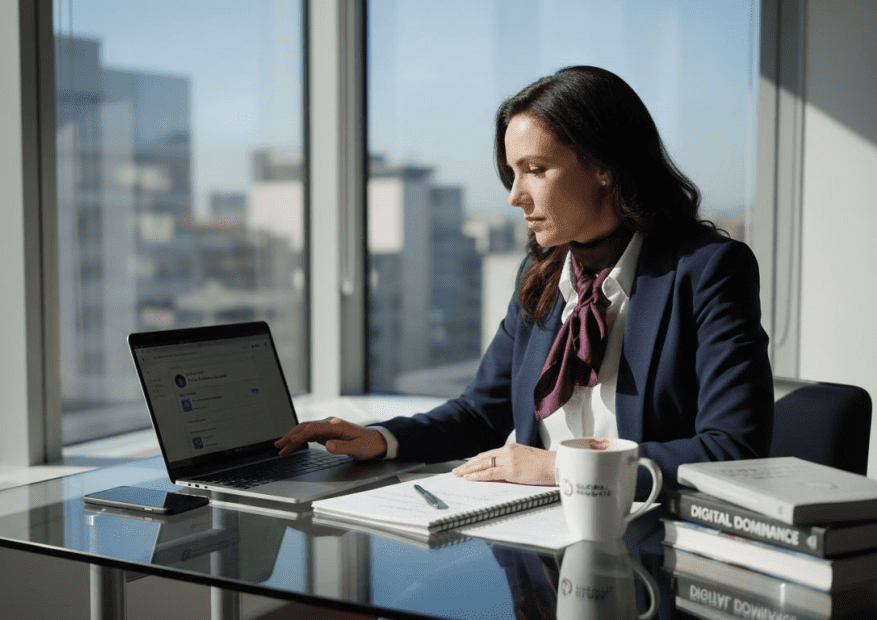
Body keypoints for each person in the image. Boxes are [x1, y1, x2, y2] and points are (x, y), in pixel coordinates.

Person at [276, 65, 773, 498]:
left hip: (647, 534)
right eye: (512, 173)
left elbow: (732, 448)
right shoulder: (542, 275)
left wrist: (559, 469)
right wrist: (381, 439)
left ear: (605, 165)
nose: (515, 197)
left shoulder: (709, 271)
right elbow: (481, 413)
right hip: (533, 539)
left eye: (536, 170)